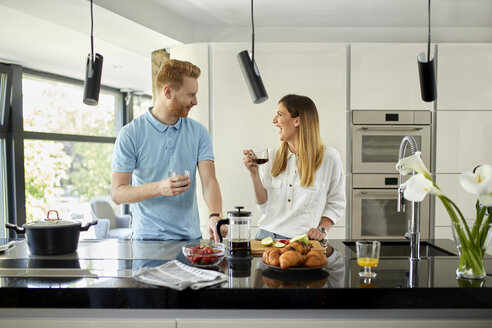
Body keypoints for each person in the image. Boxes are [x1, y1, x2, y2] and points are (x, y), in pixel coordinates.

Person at [111, 59, 226, 241]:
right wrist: (158, 188)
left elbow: (209, 181)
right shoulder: (130, 134)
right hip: (148, 242)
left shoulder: (199, 132)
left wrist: (215, 216)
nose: (195, 101)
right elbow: (117, 193)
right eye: (191, 94)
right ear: (168, 92)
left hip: (191, 240)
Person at [243, 94, 345, 242]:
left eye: (280, 114)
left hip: (304, 242)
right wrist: (254, 174)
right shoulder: (271, 156)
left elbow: (337, 203)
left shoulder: (329, 157)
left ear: (297, 121)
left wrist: (322, 229)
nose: (274, 120)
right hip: (266, 238)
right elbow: (264, 207)